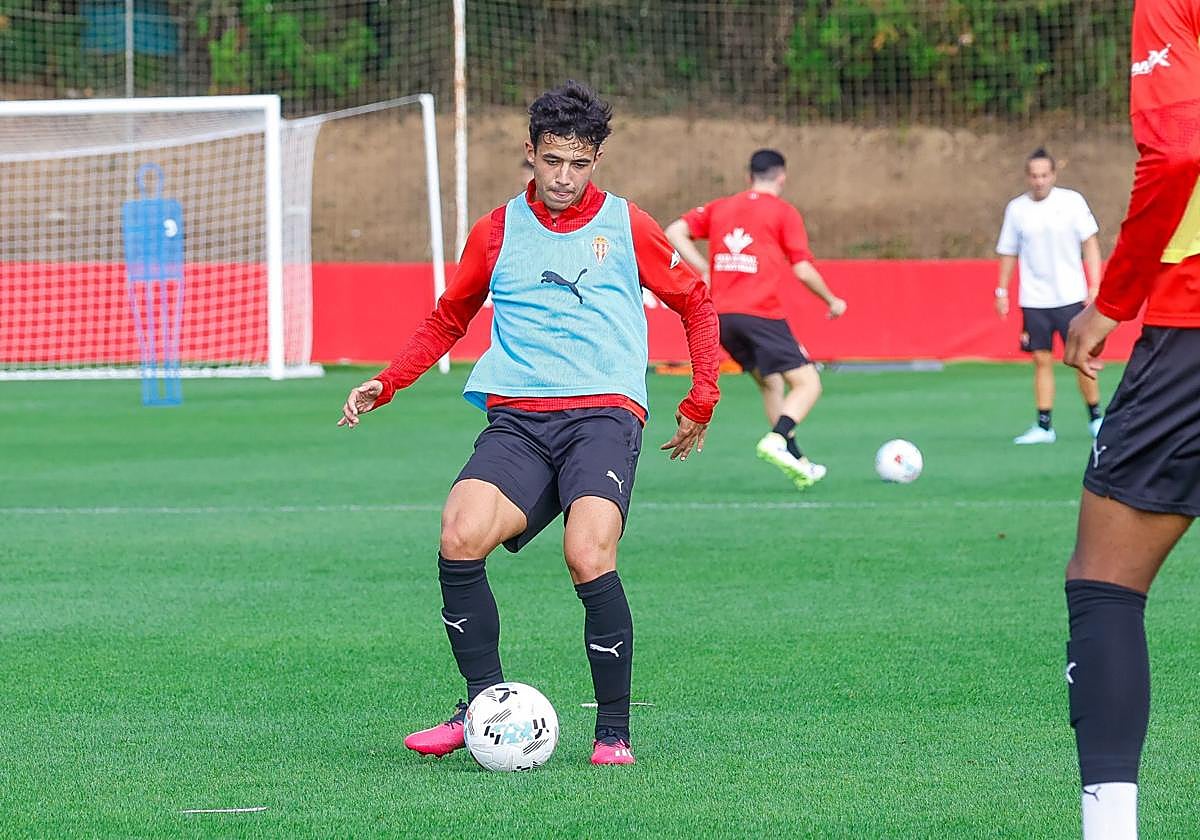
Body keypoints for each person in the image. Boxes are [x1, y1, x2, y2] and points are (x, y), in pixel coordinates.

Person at [337, 81, 720, 767]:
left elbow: (696, 302)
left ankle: (613, 731)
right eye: (552, 162)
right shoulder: (496, 229)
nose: (564, 177)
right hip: (517, 418)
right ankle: (483, 706)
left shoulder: (628, 225)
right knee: (458, 535)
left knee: (588, 554)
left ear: (595, 159)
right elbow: (448, 316)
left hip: (602, 414)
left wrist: (702, 396)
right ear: (530, 155)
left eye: (578, 163)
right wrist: (388, 382)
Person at [1061, 2, 1200, 837]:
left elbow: (1180, 148)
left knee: (1105, 583)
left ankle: (1110, 829)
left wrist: (1112, 301)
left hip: (1190, 327)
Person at [664, 149, 845, 489]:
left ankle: (796, 458)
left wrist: (704, 269)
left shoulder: (720, 207)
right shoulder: (783, 212)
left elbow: (674, 230)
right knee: (808, 384)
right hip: (760, 313)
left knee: (771, 383)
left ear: (748, 177)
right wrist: (832, 300)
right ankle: (777, 439)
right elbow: (803, 269)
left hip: (724, 318)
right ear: (782, 177)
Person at [995, 147, 1104, 445]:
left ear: (1053, 175)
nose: (1039, 181)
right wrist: (1002, 290)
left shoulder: (1071, 202)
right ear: (1027, 177)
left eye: (1044, 175)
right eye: (1034, 176)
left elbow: (1090, 244)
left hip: (1071, 296)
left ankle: (1096, 419)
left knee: (1082, 357)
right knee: (1041, 360)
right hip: (1035, 298)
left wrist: (1095, 285)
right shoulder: (1017, 209)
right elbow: (1008, 251)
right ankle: (1044, 426)